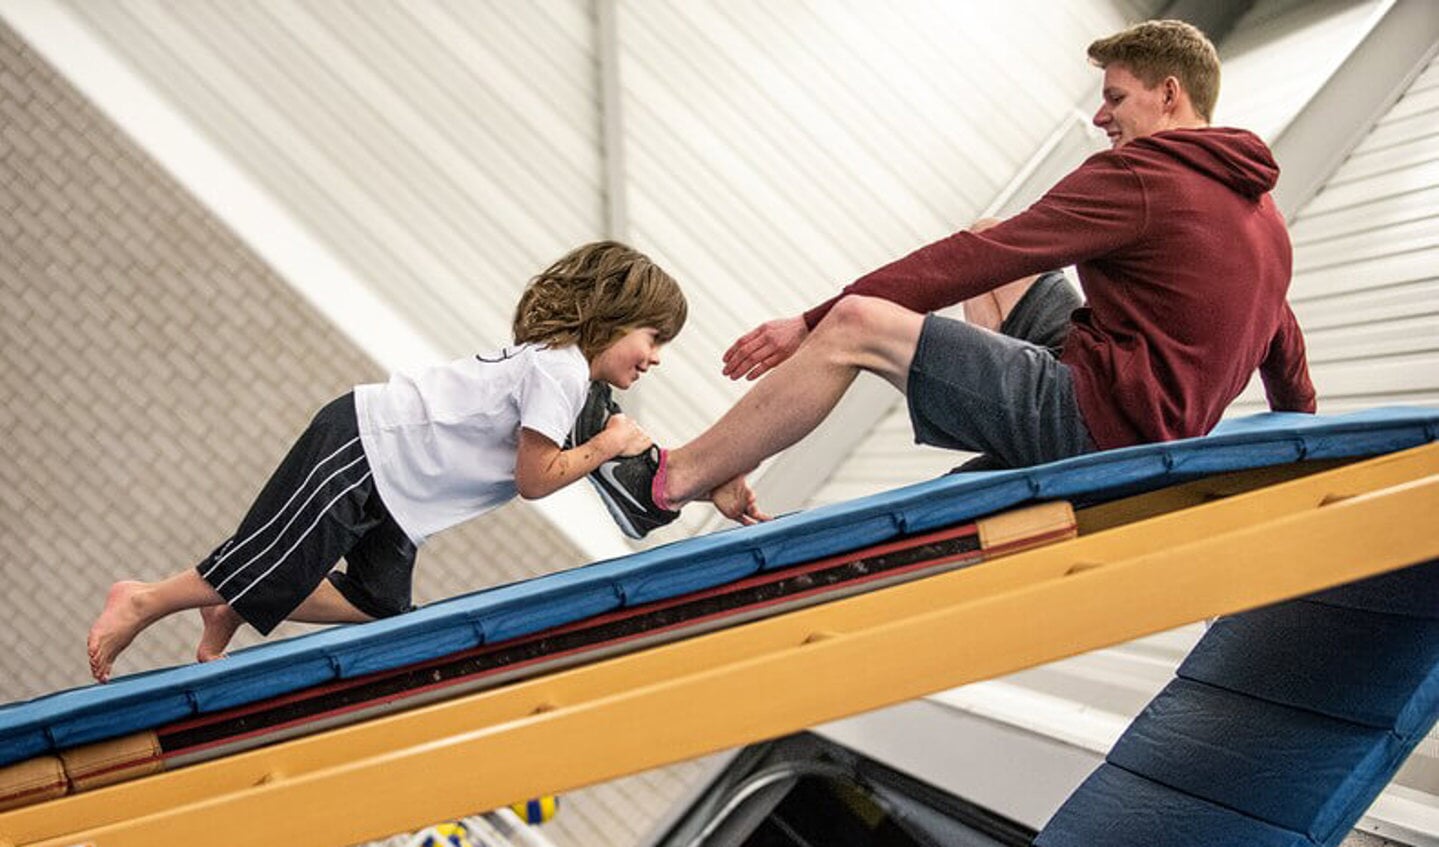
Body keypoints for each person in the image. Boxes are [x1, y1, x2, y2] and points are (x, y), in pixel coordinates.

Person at [590, 19, 1316, 534]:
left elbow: (971, 269)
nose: (1101, 116)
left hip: (1098, 424)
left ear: (1168, 93)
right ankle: (1005, 440)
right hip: (1120, 403)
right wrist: (1306, 457)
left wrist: (810, 320)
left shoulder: (1144, 176)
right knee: (989, 233)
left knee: (857, 326)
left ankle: (663, 485)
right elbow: (1285, 354)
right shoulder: (1262, 220)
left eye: (1115, 98)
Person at [87, 241, 690, 683]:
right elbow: (535, 480)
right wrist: (606, 446)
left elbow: (621, 469)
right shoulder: (560, 370)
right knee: (276, 555)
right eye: (653, 338)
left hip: (404, 494)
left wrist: (698, 481)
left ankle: (232, 605)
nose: (656, 357)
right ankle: (142, 600)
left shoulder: (567, 374)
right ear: (612, 318)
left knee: (380, 604)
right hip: (369, 447)